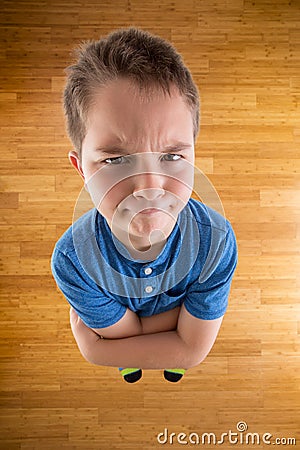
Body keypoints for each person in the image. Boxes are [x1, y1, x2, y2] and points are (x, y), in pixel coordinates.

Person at [51, 27, 238, 383]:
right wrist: (181, 331)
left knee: (170, 356)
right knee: (156, 352)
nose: (149, 188)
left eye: (171, 155)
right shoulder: (72, 260)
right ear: (81, 170)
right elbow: (185, 342)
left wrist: (97, 350)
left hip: (119, 339)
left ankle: (147, 361)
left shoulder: (216, 240)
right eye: (115, 161)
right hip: (157, 331)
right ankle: (142, 361)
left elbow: (192, 351)